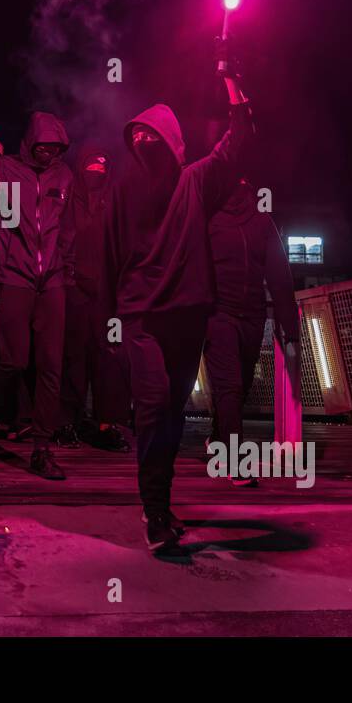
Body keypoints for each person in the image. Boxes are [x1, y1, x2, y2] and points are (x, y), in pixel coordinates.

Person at [103, 61, 251, 555]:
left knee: (169, 415)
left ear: (172, 142)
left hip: (187, 319)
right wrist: (111, 325)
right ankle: (154, 511)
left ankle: (161, 506)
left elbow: (238, 144)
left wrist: (232, 79)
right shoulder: (122, 191)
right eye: (137, 137)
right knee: (151, 410)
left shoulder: (194, 182)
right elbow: (106, 256)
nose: (145, 145)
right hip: (141, 321)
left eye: (153, 137)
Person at [0, 113, 74, 480]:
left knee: (50, 366)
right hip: (12, 277)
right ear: (30, 142)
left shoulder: (64, 176)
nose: (49, 154)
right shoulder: (2, 169)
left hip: (53, 281)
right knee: (13, 361)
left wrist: (67, 266)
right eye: (43, 147)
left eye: (56, 149)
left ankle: (42, 449)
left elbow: (68, 226)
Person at [204, 178, 299, 486]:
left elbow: (279, 274)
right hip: (217, 314)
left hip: (252, 315)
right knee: (229, 384)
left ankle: (218, 437)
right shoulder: (207, 217)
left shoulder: (261, 220)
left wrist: (290, 327)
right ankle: (232, 460)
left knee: (241, 383)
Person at [56, 145, 131, 452]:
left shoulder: (114, 200)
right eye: (91, 168)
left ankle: (105, 423)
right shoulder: (69, 198)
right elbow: (59, 239)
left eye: (101, 169)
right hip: (74, 289)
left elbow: (124, 242)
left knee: (109, 357)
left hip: (107, 295)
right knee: (72, 356)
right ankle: (67, 422)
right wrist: (68, 277)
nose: (96, 174)